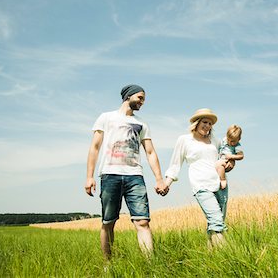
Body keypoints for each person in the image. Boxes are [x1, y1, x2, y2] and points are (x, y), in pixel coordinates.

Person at [84, 84, 168, 260]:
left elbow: (150, 152)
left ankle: (150, 264)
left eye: (143, 99)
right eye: (140, 98)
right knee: (108, 222)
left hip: (135, 176)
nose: (142, 102)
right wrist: (89, 176)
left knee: (143, 222)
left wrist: (159, 179)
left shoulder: (141, 124)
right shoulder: (106, 117)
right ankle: (108, 264)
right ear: (128, 96)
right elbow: (95, 147)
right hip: (110, 175)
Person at [164, 108, 228, 247]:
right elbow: (175, 164)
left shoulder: (215, 141)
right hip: (201, 186)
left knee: (216, 222)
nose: (208, 126)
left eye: (210, 124)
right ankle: (227, 256)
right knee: (217, 221)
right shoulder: (185, 140)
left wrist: (229, 163)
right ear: (196, 123)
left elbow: (225, 159)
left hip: (220, 185)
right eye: (205, 122)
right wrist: (167, 183)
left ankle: (212, 258)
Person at [215, 125, 244, 190]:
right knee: (217, 166)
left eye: (233, 141)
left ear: (239, 139)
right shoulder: (224, 140)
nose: (230, 142)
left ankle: (223, 180)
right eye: (229, 140)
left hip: (228, 160)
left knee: (219, 165)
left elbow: (241, 156)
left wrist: (231, 156)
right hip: (221, 159)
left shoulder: (237, 146)